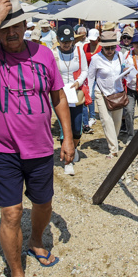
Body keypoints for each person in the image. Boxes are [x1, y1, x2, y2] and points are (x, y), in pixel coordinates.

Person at [0, 0, 74, 277]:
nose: (11, 33)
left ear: (26, 25)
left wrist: (67, 138)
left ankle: (36, 240)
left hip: (39, 147)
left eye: (16, 26)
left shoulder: (44, 54)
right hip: (2, 149)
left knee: (43, 203)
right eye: (5, 28)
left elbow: (58, 97)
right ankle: (17, 275)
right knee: (11, 213)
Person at [86, 29, 134, 158]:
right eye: (107, 48)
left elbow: (124, 69)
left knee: (117, 122)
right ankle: (113, 149)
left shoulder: (120, 56)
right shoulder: (96, 59)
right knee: (106, 120)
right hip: (101, 92)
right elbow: (90, 77)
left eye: (112, 47)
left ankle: (113, 140)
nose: (110, 50)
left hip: (117, 93)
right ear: (102, 47)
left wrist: (126, 71)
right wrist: (88, 95)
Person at [52, 25, 87, 175]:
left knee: (77, 127)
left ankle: (74, 147)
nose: (66, 44)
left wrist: (78, 81)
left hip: (75, 93)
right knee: (64, 127)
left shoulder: (78, 51)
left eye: (69, 41)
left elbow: (85, 70)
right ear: (58, 40)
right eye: (63, 41)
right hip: (60, 94)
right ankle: (68, 161)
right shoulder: (53, 53)